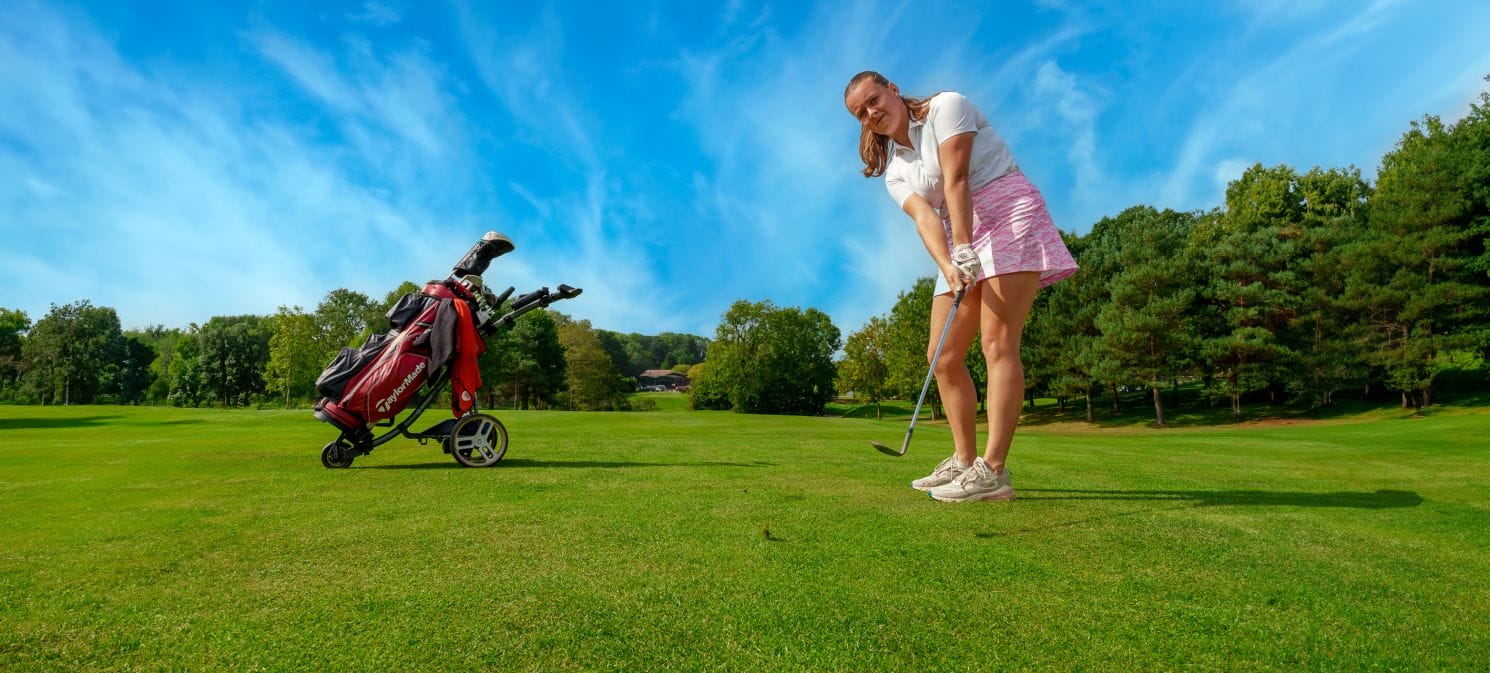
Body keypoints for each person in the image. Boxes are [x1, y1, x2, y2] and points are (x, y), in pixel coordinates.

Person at [843, 71, 1077, 502]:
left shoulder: (947, 106)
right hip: (957, 230)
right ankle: (965, 460)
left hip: (1007, 210)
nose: (871, 112)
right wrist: (948, 263)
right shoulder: (896, 169)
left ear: (892, 89)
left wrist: (964, 245)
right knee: (943, 356)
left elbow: (957, 179)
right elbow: (925, 218)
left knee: (997, 342)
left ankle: (994, 471)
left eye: (874, 99)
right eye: (861, 112)